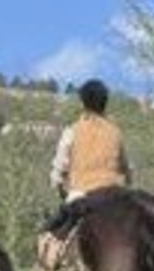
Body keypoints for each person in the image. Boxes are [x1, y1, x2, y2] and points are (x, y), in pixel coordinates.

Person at [42, 78, 133, 238]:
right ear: (105, 103)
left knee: (49, 239)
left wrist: (56, 183)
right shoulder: (116, 133)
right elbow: (127, 168)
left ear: (83, 104)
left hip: (81, 195)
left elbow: (59, 168)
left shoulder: (72, 131)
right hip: (115, 196)